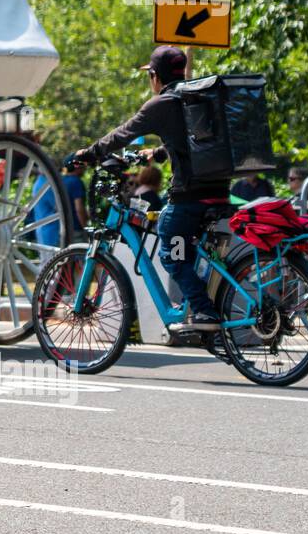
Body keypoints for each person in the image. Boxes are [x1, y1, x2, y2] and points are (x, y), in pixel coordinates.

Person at [73, 46, 228, 332]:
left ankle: (204, 312)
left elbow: (123, 133)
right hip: (219, 190)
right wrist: (156, 154)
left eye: (150, 76)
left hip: (189, 196)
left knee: (170, 245)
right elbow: (192, 142)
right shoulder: (197, 99)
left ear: (155, 76)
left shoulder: (161, 104)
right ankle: (197, 306)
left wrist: (90, 153)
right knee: (185, 250)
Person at [62, 160, 90, 237]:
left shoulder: (62, 180)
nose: (84, 168)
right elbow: (79, 209)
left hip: (63, 229)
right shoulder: (76, 181)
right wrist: (86, 228)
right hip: (76, 230)